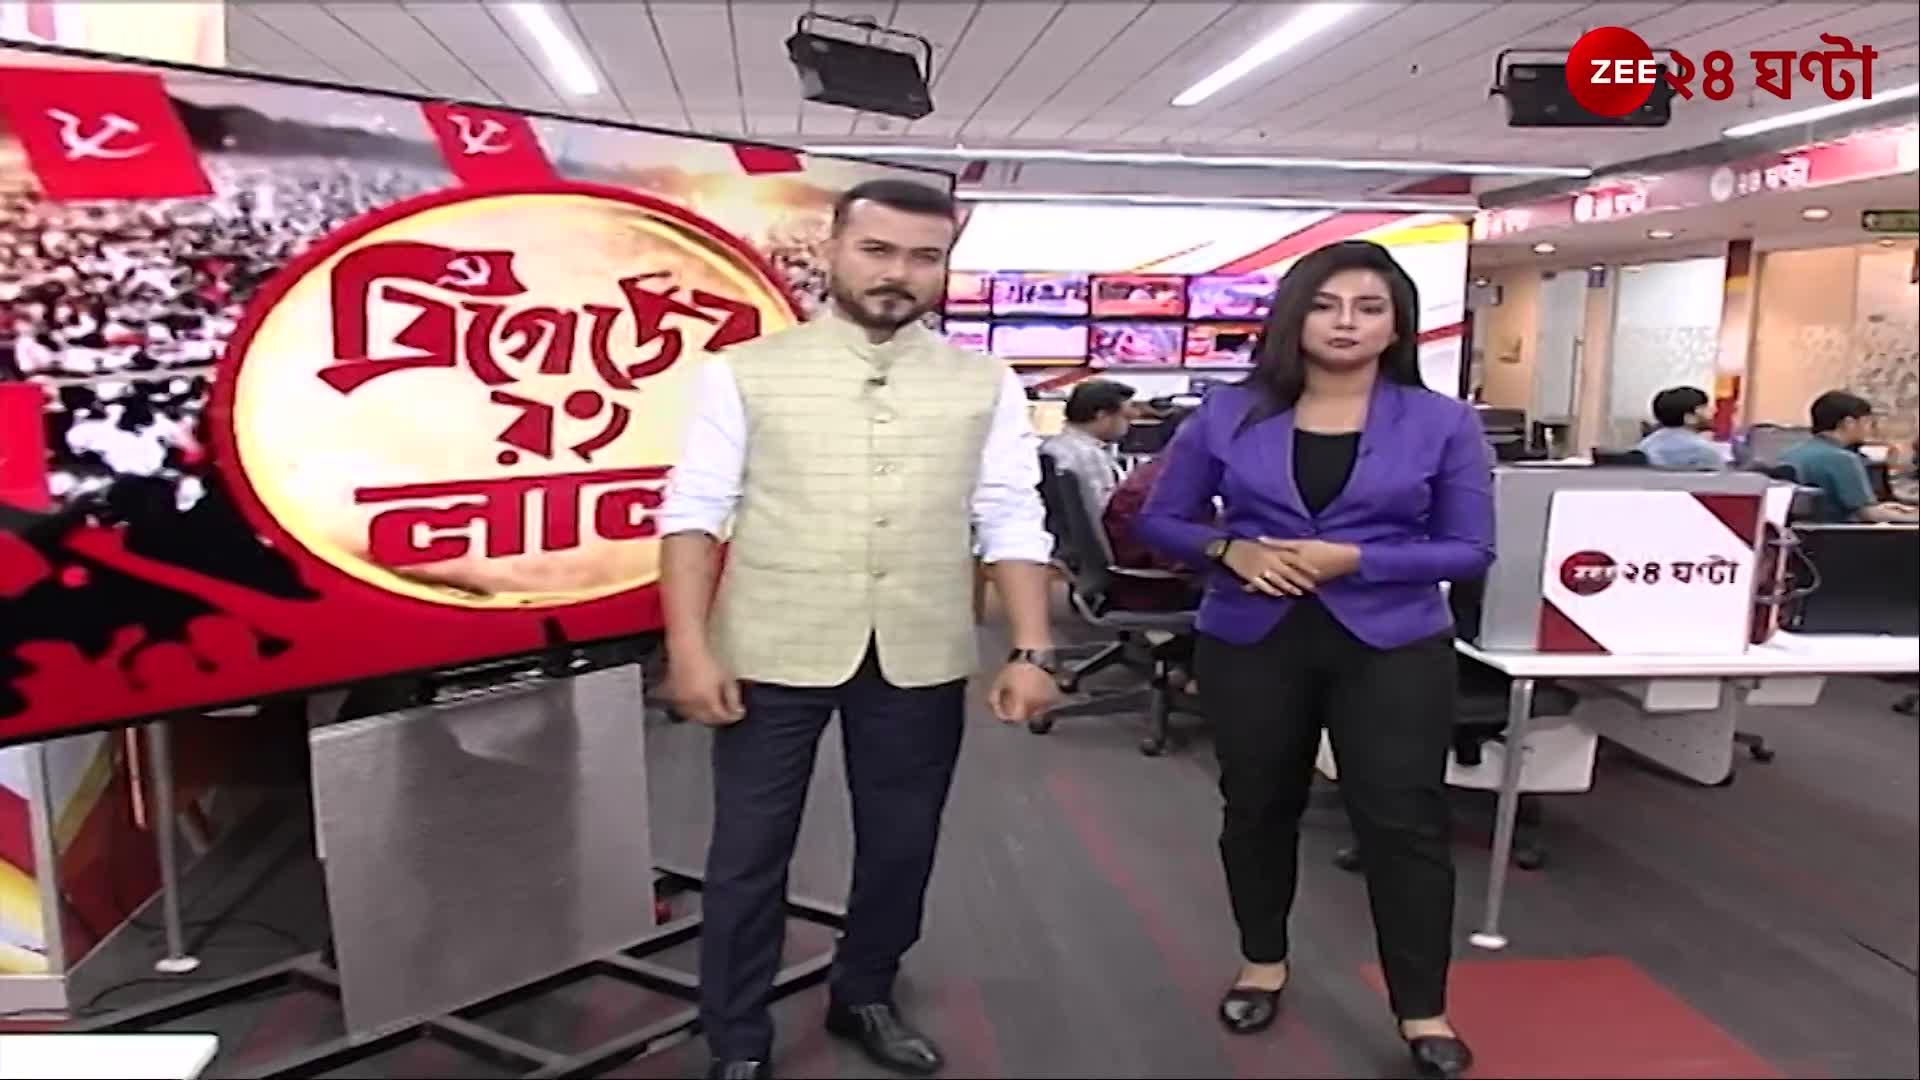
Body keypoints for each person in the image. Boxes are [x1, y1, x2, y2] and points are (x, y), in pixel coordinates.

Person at [658, 179, 1061, 1080]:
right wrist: (688, 647)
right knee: (749, 851)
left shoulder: (984, 382)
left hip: (920, 644)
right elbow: (693, 513)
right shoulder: (744, 370)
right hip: (771, 642)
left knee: (902, 843)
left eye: (924, 257)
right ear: (832, 249)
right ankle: (736, 1037)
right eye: (878, 250)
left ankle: (865, 990)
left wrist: (1032, 648)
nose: (899, 273)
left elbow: (1009, 514)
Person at [1137, 240, 1493, 1080]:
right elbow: (1161, 520)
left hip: (1391, 642)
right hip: (1254, 635)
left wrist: (1356, 559)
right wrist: (1229, 549)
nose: (1346, 323)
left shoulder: (1443, 421)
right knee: (1258, 806)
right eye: (1327, 305)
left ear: (1397, 325)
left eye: (1369, 308)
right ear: (1294, 316)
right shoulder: (1229, 412)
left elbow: (1469, 549)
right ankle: (1261, 962)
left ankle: (1423, 1009)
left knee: (1403, 821)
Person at [1778, 391, 1918, 523]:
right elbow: (1867, 513)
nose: (1871, 430)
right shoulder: (1843, 459)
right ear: (1849, 423)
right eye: (1868, 423)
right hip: (1837, 534)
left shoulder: (1790, 454)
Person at [1041, 377, 1134, 510]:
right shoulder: (1088, 455)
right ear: (1101, 415)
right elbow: (1102, 509)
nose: (1129, 423)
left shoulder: (1051, 447)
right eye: (1126, 416)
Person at [1636, 386, 1724, 470]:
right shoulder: (1704, 451)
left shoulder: (1645, 445)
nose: (1714, 410)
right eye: (1705, 407)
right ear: (1690, 418)